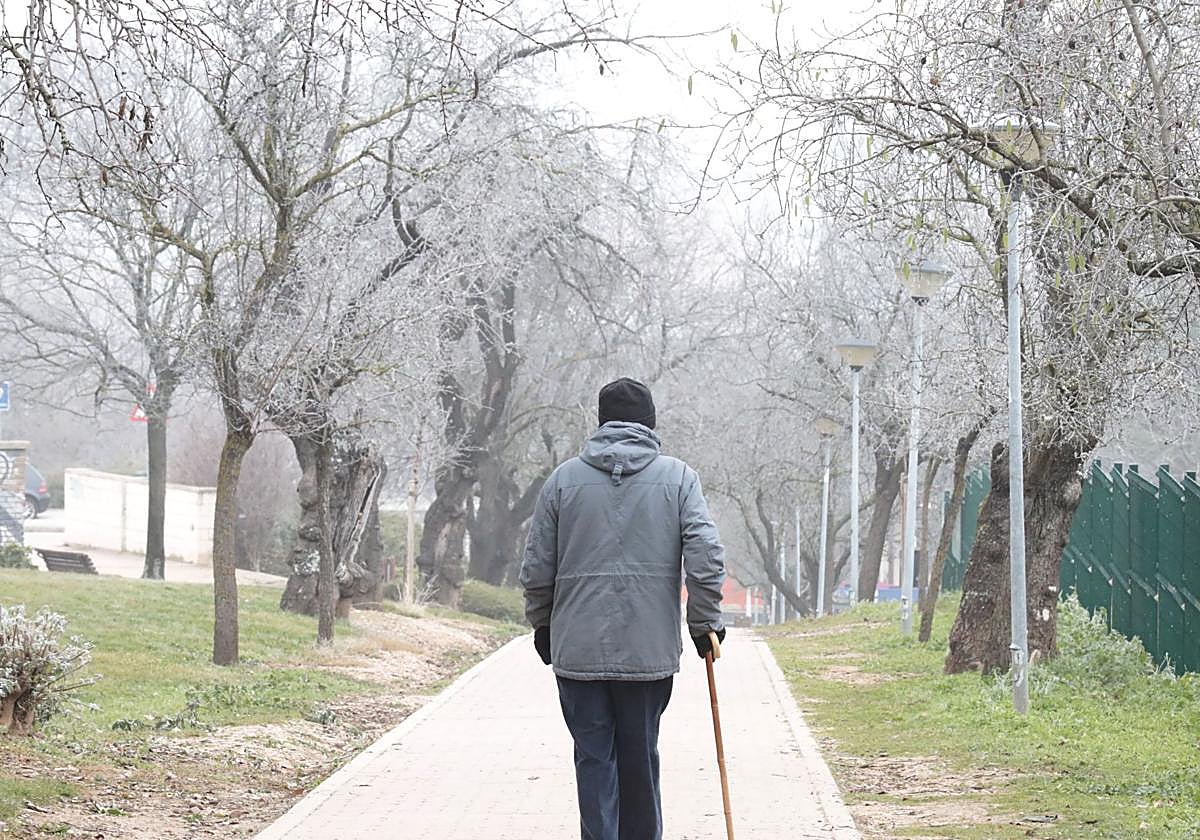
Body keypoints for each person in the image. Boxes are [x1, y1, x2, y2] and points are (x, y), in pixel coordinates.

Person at [520, 377, 726, 840]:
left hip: (578, 652)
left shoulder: (563, 481)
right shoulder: (678, 478)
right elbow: (707, 556)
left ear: (601, 422)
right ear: (650, 424)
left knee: (594, 760)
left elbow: (536, 567)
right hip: (648, 654)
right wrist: (704, 623)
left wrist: (543, 623)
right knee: (640, 758)